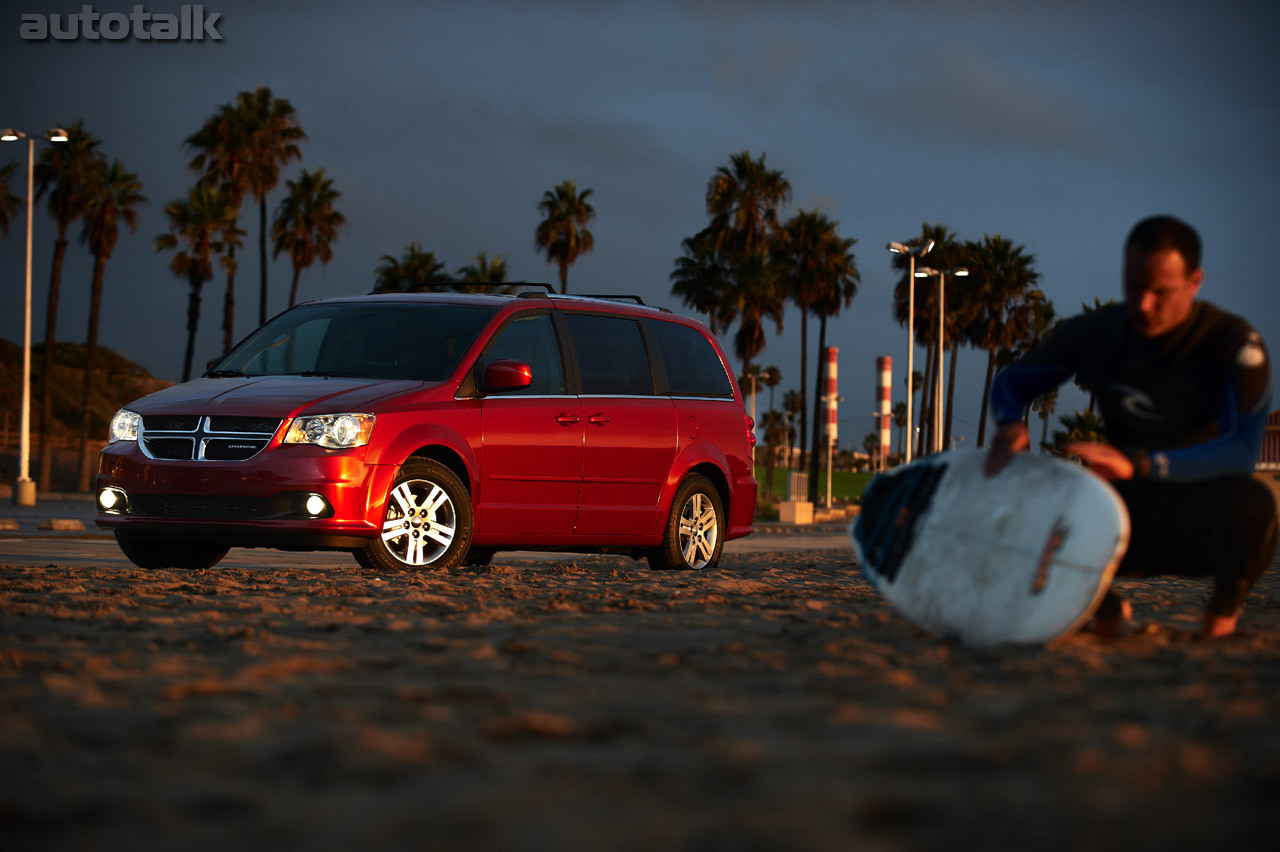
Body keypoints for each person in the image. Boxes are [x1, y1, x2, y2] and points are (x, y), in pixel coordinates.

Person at [984, 215, 1276, 640]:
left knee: (1257, 507)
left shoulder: (1232, 343)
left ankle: (1219, 623)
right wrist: (1011, 424)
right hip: (1117, 516)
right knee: (1013, 503)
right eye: (1134, 286)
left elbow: (1241, 450)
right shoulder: (1099, 333)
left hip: (1199, 514)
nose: (1143, 304)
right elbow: (1012, 382)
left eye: (1161, 292)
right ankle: (1104, 610)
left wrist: (1142, 463)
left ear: (1194, 282)